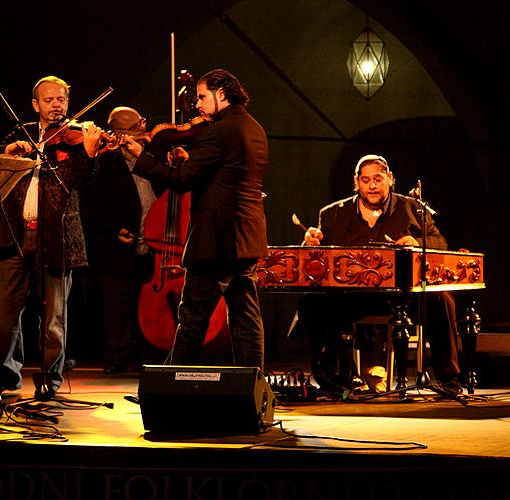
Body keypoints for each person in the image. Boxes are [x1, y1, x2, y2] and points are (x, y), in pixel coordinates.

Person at [122, 68, 268, 369]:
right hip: (248, 236)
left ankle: (166, 388)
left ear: (222, 94)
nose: (198, 105)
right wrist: (192, 160)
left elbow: (180, 181)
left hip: (216, 240)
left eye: (202, 97)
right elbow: (227, 175)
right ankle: (253, 389)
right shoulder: (255, 128)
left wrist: (141, 156)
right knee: (246, 318)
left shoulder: (217, 131)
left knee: (191, 319)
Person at [300, 154, 462, 394]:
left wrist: (416, 242)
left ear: (390, 179)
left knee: (441, 298)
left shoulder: (413, 209)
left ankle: (449, 378)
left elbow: (440, 242)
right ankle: (331, 378)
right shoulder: (333, 214)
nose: (372, 185)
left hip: (402, 296)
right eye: (365, 180)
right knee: (311, 302)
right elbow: (318, 258)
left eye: (378, 178)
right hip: (352, 296)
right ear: (357, 182)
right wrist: (310, 244)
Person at [0, 76, 102, 401]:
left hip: (56, 235)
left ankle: (50, 380)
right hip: (14, 231)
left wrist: (90, 153)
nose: (56, 105)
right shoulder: (20, 132)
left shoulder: (75, 139)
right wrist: (7, 151)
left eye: (61, 100)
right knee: (6, 315)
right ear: (35, 105)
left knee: (54, 317)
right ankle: (7, 375)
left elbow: (84, 179)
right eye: (49, 100)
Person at [80, 106, 160, 374]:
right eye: (139, 125)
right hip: (118, 246)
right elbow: (92, 204)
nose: (145, 126)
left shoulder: (151, 156)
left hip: (154, 245)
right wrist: (114, 229)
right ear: (121, 133)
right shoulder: (104, 162)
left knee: (148, 305)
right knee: (118, 305)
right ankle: (117, 357)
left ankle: (151, 354)